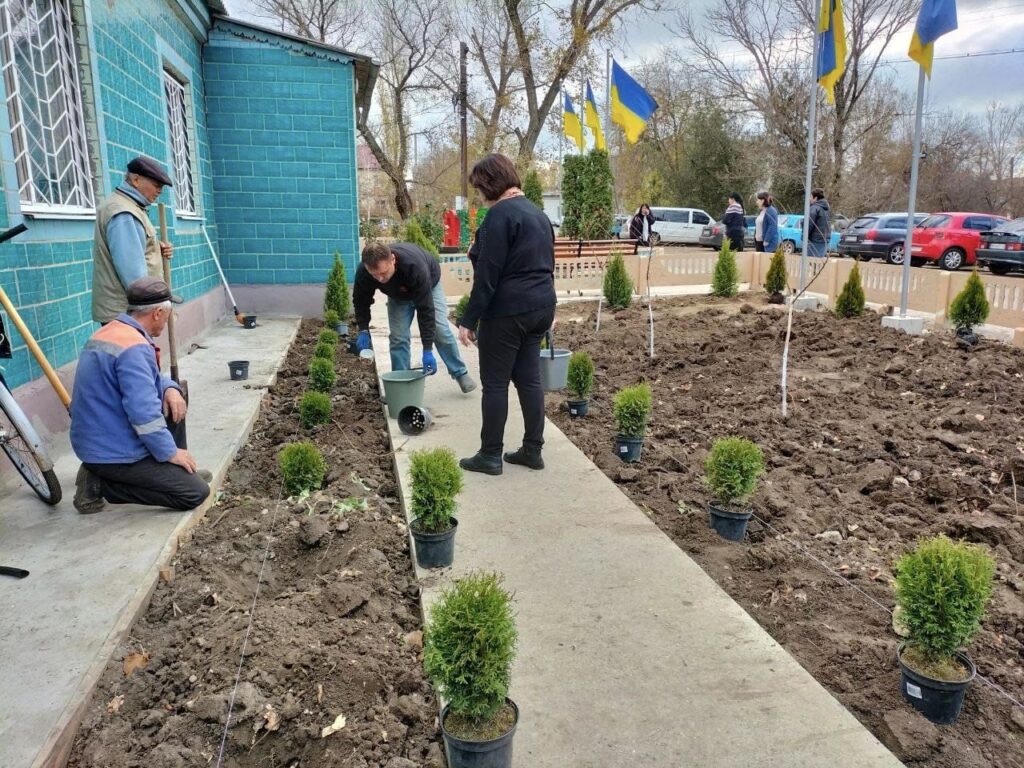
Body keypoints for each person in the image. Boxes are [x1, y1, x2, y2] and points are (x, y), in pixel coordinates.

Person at [71, 278, 210, 514]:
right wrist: (170, 452)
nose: (167, 321)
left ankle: (174, 472)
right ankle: (99, 484)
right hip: (112, 452)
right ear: (157, 313)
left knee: (175, 396)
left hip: (101, 438)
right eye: (168, 316)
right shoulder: (134, 349)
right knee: (194, 493)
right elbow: (143, 415)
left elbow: (149, 379)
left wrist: (170, 388)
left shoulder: (116, 332)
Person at [456, 154, 557, 476]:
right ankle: (532, 450)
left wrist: (468, 320)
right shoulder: (538, 215)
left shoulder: (499, 216)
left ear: (489, 183)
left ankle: (490, 455)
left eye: (479, 188)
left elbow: (488, 274)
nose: (479, 195)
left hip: (508, 311)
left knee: (495, 384)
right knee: (529, 380)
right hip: (541, 306)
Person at [353, 242, 476, 393]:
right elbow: (361, 301)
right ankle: (400, 384)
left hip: (428, 285)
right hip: (398, 296)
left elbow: (426, 311)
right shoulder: (365, 272)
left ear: (393, 259)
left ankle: (460, 372)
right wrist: (363, 329)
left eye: (383, 273)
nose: (379, 279)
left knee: (440, 329)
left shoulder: (413, 266)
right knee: (398, 337)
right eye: (374, 275)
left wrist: (427, 350)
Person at [92, 156, 175, 325]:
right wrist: (154, 307)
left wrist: (154, 250)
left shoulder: (129, 207)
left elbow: (131, 251)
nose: (160, 191)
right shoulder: (124, 213)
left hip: (128, 313)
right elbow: (134, 278)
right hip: (128, 314)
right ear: (136, 180)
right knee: (130, 351)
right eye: (156, 185)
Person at [807, 188, 832, 258]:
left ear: (815, 198)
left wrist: (804, 236)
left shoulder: (814, 208)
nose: (809, 199)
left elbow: (809, 224)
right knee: (818, 264)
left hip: (815, 240)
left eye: (811, 197)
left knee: (810, 264)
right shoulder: (826, 209)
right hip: (823, 240)